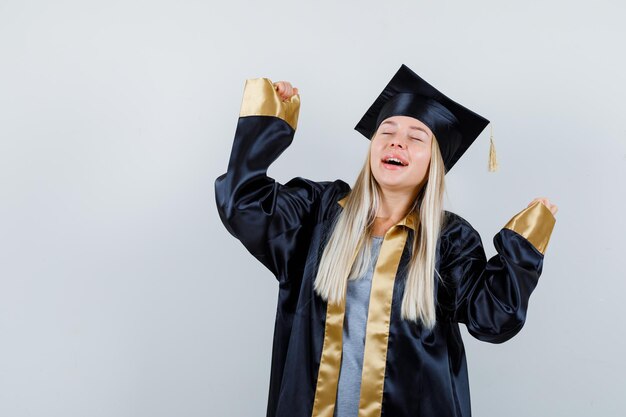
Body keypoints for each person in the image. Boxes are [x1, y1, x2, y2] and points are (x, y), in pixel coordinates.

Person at [214, 64, 557, 417]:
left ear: (434, 162)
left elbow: (493, 319)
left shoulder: (449, 241)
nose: (397, 141)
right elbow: (242, 203)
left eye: (416, 137)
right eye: (387, 131)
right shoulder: (318, 212)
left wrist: (522, 249)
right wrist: (269, 124)